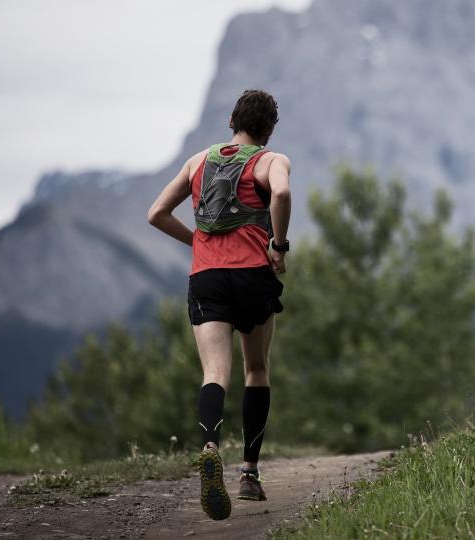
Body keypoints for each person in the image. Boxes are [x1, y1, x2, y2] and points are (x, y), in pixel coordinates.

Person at [147, 89, 291, 521]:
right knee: (257, 369)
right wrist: (279, 246)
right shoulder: (270, 160)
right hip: (252, 274)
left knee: (214, 372)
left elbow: (156, 213)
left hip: (206, 277)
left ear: (232, 120)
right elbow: (281, 196)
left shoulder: (198, 161)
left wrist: (200, 243)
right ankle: (248, 474)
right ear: (268, 129)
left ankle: (210, 445)